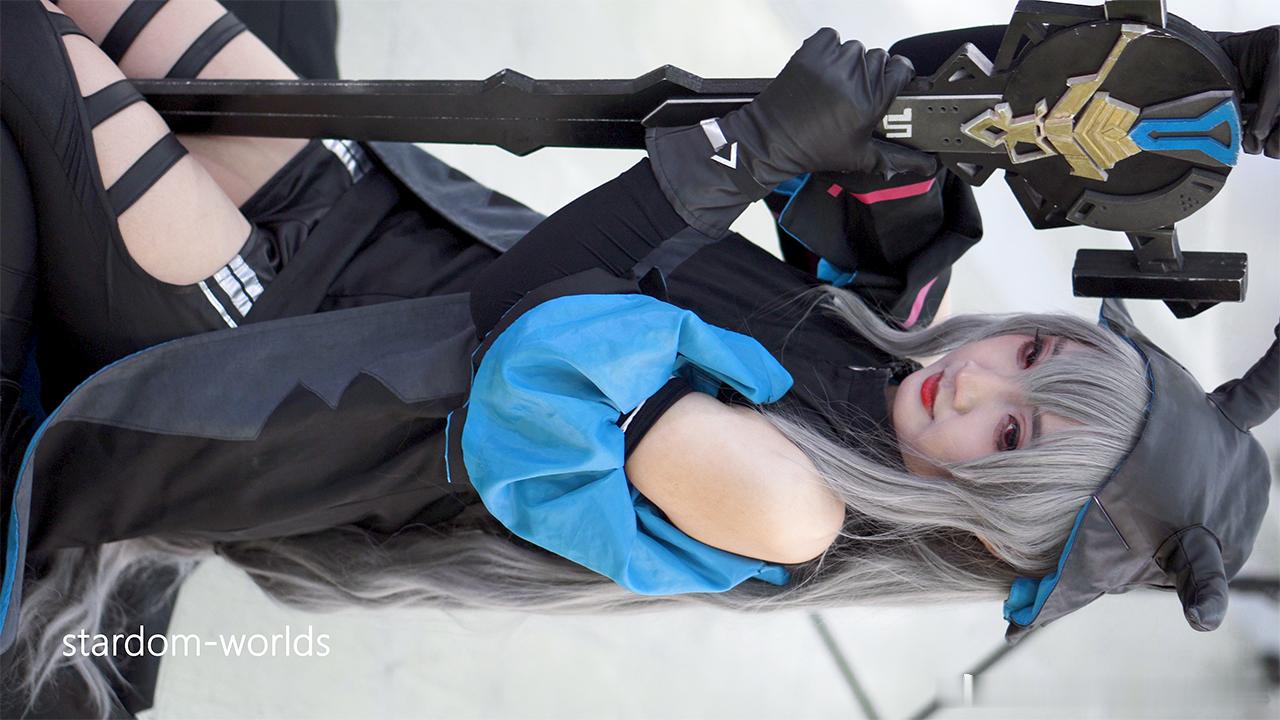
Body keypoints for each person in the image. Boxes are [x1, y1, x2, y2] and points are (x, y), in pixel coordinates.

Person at [0, 2, 1274, 717]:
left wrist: (745, 157)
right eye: (1031, 351)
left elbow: (520, 344)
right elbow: (963, 99)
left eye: (1009, 436)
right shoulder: (880, 341)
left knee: (26, 51)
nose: (978, 381)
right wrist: (1231, 80)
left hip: (286, 367)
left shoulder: (787, 508)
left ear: (994, 526)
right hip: (362, 211)